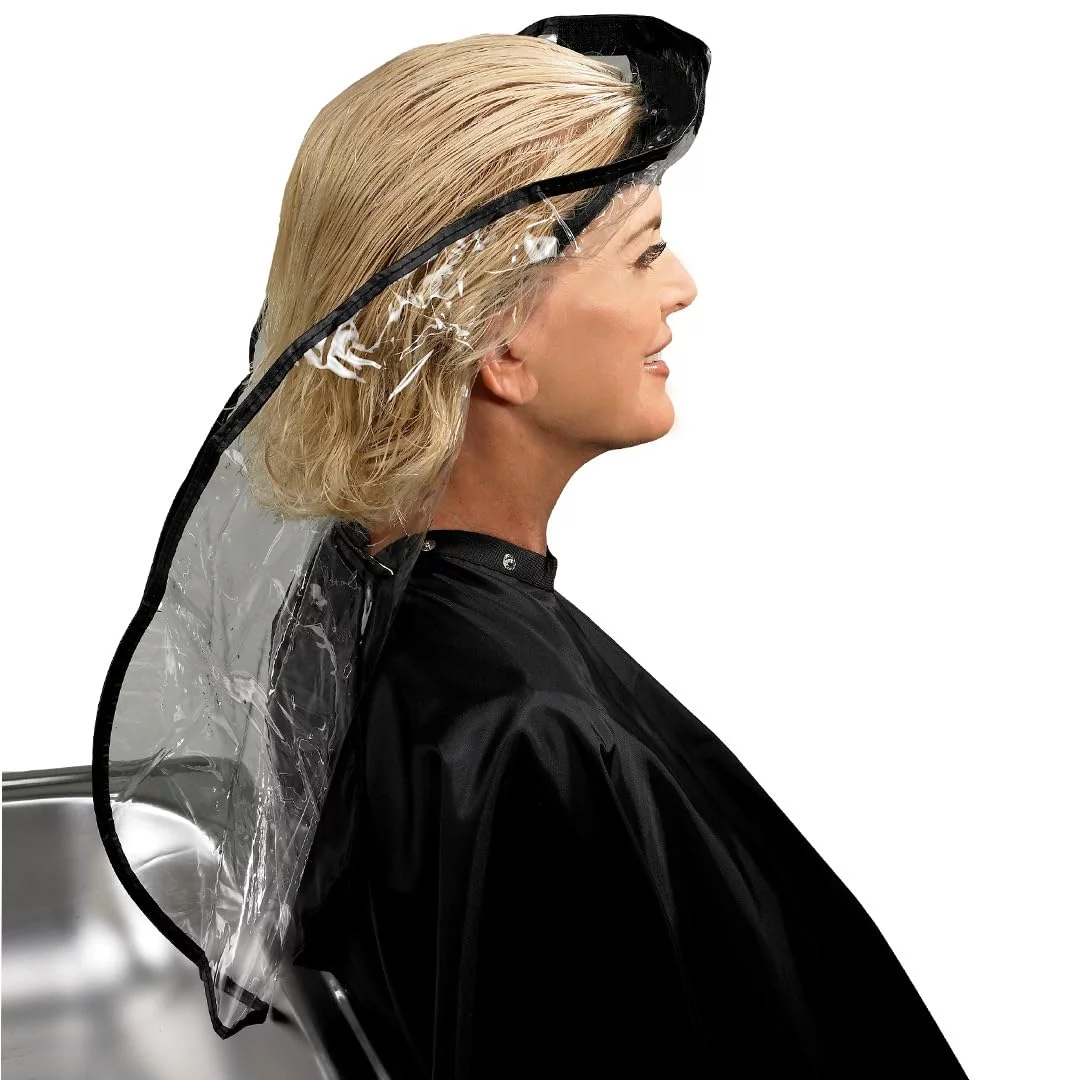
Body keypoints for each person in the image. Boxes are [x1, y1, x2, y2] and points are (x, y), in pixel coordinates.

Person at [261, 27, 972, 1080]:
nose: (683, 287)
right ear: (498, 341)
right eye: (645, 251)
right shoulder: (521, 728)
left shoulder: (351, 616)